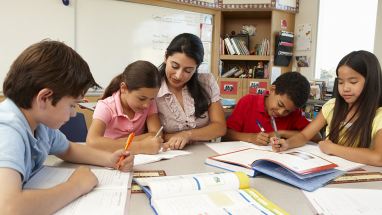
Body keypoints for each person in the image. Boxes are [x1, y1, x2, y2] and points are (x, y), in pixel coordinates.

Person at [0, 40, 134, 215]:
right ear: (44, 98)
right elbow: (9, 208)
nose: (73, 114)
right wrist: (75, 186)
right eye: (72, 105)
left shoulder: (39, 124)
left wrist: (110, 159)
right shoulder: (7, 130)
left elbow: (69, 149)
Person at [272, 50, 382, 166]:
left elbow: (378, 157)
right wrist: (287, 144)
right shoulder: (332, 106)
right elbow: (304, 136)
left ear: (371, 82)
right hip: (332, 171)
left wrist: (333, 148)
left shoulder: (378, 115)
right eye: (340, 82)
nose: (345, 88)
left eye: (353, 82)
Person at [156, 33, 226, 150]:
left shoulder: (206, 82)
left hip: (203, 153)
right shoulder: (153, 87)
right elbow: (155, 135)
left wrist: (188, 135)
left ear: (196, 68)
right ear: (165, 57)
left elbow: (220, 127)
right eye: (174, 66)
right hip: (167, 153)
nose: (178, 76)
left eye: (188, 70)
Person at [87, 60, 163, 154]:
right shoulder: (106, 106)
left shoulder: (149, 102)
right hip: (109, 159)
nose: (147, 105)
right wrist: (141, 146)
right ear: (123, 88)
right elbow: (92, 142)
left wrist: (113, 143)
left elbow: (155, 134)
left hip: (138, 160)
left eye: (152, 99)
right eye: (141, 98)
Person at [225, 72, 321, 145]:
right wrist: (251, 138)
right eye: (280, 104)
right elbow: (226, 134)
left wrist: (281, 133)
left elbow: (316, 137)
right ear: (272, 90)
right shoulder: (248, 102)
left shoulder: (295, 113)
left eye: (287, 111)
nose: (281, 112)